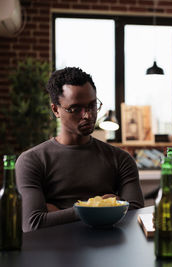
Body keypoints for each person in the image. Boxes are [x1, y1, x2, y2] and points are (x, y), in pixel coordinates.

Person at [16, 67, 144, 232]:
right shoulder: (31, 161)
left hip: (108, 252)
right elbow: (33, 224)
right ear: (55, 110)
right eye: (76, 109)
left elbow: (136, 215)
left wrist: (58, 212)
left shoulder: (120, 158)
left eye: (92, 105)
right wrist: (99, 207)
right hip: (54, 255)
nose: (88, 116)